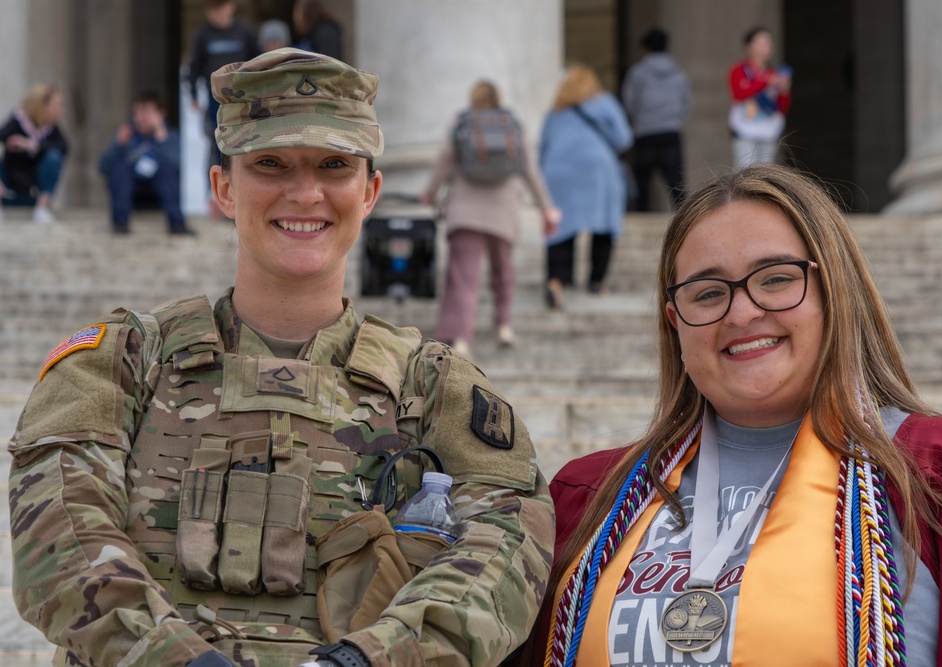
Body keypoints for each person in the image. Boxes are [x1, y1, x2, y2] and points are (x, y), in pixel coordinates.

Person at [8, 48, 555, 667]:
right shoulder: (119, 362)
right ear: (223, 188)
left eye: (334, 165)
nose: (305, 192)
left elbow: (507, 551)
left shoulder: (436, 388)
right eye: (270, 163)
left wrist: (362, 661)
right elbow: (59, 541)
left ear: (370, 191)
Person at [527, 163, 942, 666]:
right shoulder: (588, 500)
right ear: (675, 324)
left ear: (833, 290)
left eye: (775, 279)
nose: (741, 313)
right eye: (707, 293)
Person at [421, 81, 561, 356]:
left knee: (464, 276)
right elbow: (530, 170)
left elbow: (444, 161)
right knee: (504, 271)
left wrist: (429, 193)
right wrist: (547, 208)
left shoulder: (461, 122)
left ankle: (461, 337)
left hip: (465, 210)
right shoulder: (513, 125)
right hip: (503, 210)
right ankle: (504, 325)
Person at [539, 65, 632, 308]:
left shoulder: (556, 111)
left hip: (558, 171)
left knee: (559, 226)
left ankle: (556, 281)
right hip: (597, 169)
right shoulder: (604, 101)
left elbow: (543, 146)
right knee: (603, 223)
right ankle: (596, 281)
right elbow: (624, 138)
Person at [98, 90, 195, 236]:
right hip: (130, 192)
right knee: (120, 167)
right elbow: (103, 167)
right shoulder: (126, 135)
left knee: (166, 169)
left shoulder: (170, 136)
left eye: (147, 113)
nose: (141, 118)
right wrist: (118, 144)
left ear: (160, 113)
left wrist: (161, 137)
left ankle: (177, 224)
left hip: (159, 193)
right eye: (138, 113)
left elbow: (179, 166)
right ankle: (120, 223)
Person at [621, 28, 691, 213]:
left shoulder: (637, 72)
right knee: (676, 182)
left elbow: (629, 102)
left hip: (645, 132)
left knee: (642, 182)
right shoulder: (678, 73)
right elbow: (685, 101)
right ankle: (686, 219)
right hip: (670, 131)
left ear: (646, 49)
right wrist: (673, 118)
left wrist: (641, 119)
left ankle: (641, 216)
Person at [187, 0, 258, 174]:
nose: (217, 14)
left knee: (244, 138)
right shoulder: (203, 35)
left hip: (243, 97)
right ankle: (216, 185)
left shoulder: (244, 32)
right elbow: (194, 67)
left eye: (220, 9)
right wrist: (193, 94)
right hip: (216, 98)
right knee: (217, 140)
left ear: (231, 7)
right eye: (212, 10)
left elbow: (258, 63)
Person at [0, 83, 68, 224]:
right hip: (10, 186)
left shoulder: (50, 128)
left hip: (33, 190)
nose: (59, 110)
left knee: (54, 157)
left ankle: (41, 208)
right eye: (56, 105)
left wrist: (32, 145)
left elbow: (64, 147)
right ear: (41, 105)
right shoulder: (18, 121)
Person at [728, 27, 792, 168]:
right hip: (745, 131)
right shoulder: (739, 70)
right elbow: (739, 94)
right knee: (744, 174)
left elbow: (782, 108)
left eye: (768, 43)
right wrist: (765, 82)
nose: (765, 47)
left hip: (768, 132)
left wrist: (785, 91)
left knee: (766, 173)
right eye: (760, 43)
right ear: (749, 47)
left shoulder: (775, 73)